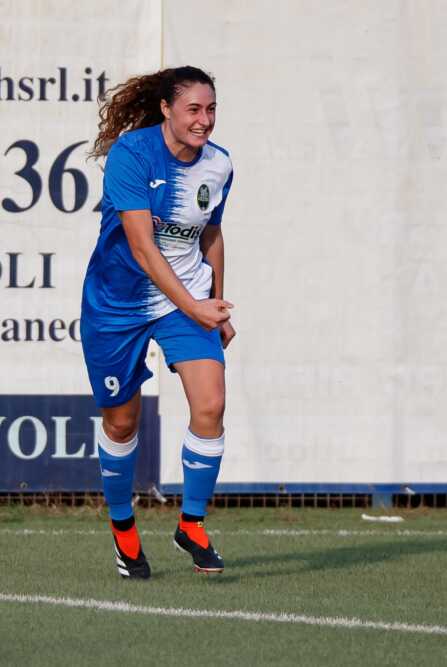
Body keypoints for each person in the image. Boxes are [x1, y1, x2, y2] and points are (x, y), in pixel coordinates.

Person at [83, 66, 235, 578]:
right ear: (167, 109)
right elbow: (144, 250)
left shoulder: (218, 165)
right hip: (119, 301)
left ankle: (191, 524)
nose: (204, 120)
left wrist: (215, 301)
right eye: (194, 109)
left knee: (211, 404)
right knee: (122, 422)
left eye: (211, 109)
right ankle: (125, 533)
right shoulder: (132, 154)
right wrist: (197, 307)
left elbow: (210, 235)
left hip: (186, 295)